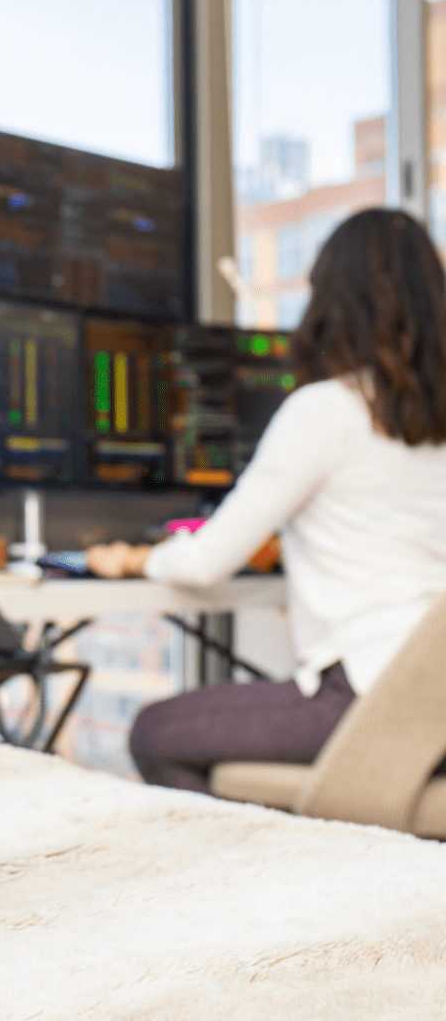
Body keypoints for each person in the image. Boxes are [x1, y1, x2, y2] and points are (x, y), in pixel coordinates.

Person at [86, 208, 446, 794]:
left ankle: (253, 877)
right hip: (438, 706)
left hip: (370, 695)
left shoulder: (326, 409)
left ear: (333, 302)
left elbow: (206, 562)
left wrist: (135, 559)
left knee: (156, 732)